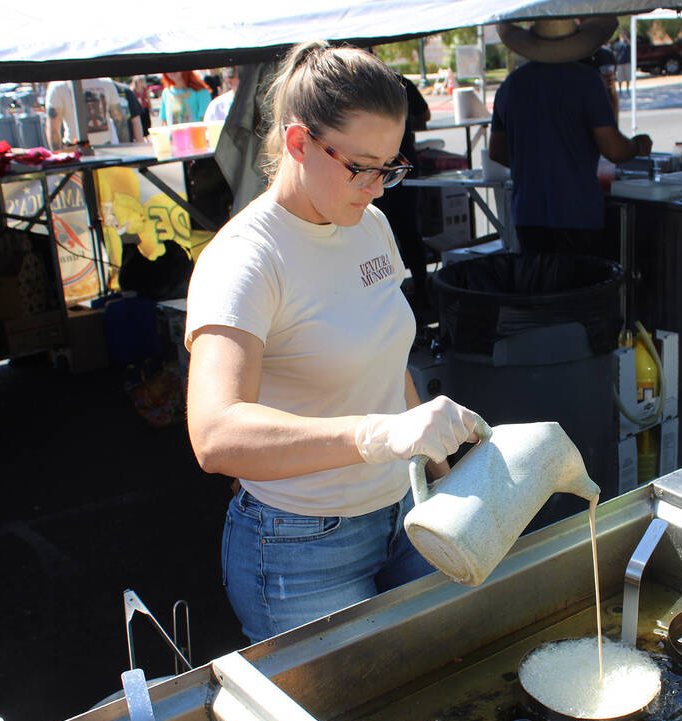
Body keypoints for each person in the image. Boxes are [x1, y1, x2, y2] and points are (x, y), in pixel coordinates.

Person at [184, 43, 484, 643]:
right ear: (297, 143)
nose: (377, 187)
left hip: (405, 507)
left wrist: (431, 457)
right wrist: (377, 434)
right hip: (301, 543)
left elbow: (385, 353)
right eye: (360, 167)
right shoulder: (246, 260)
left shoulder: (368, 224)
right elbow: (217, 436)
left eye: (390, 167)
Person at [490, 17, 651, 257]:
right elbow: (614, 150)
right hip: (577, 213)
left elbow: (498, 151)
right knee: (579, 290)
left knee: (541, 288)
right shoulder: (587, 82)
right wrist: (638, 145)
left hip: (528, 213)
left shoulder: (511, 85)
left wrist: (537, 164)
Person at [372, 74, 432, 318]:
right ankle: (418, 289)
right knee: (406, 231)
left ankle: (411, 292)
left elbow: (424, 114)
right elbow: (424, 114)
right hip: (398, 164)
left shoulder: (382, 83)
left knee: (384, 233)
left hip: (394, 167)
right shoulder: (399, 81)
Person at [44, 77, 130, 149]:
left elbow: (53, 129)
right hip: (80, 149)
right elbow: (120, 121)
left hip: (85, 151)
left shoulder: (58, 86)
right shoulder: (105, 82)